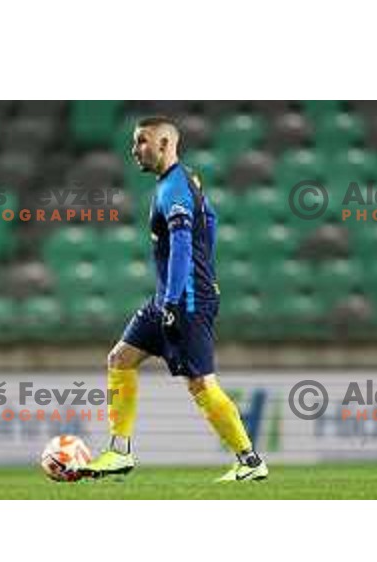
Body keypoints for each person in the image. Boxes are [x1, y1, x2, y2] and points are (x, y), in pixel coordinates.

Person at [78, 116, 268, 482]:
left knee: (200, 384)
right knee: (120, 358)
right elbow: (210, 220)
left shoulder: (174, 189)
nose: (135, 150)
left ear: (166, 144)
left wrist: (177, 299)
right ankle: (119, 452)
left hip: (184, 300)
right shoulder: (184, 181)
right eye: (135, 143)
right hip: (168, 296)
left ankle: (249, 459)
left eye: (142, 142)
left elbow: (182, 245)